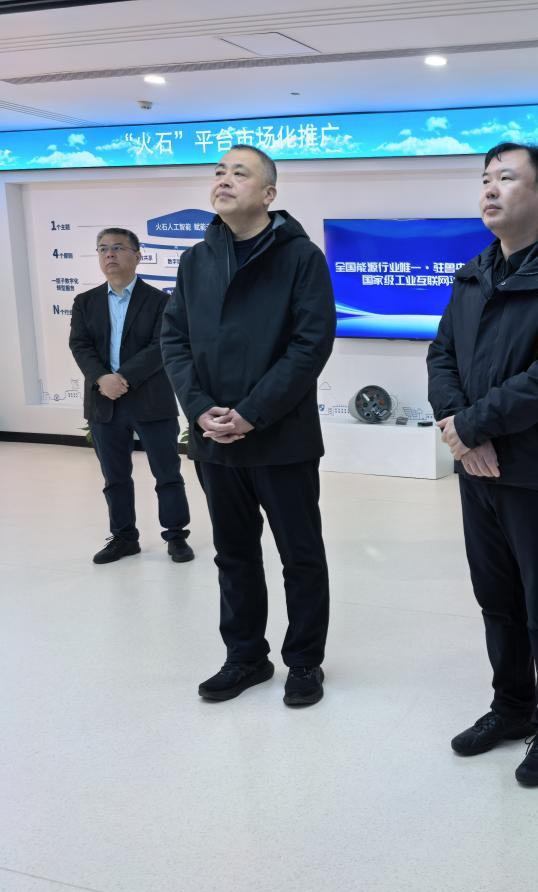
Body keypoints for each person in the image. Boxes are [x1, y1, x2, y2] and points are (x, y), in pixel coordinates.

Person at [427, 142, 538, 787]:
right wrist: (459, 429)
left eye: (506, 177)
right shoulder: (473, 273)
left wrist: (472, 426)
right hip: (478, 468)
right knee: (495, 598)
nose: (490, 189)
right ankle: (512, 707)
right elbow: (441, 356)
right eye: (485, 179)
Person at [161, 145, 336, 708]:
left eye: (240, 173)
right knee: (233, 554)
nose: (224, 179)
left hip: (281, 438)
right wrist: (200, 409)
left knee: (299, 556)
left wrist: (252, 413)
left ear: (268, 194)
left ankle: (304, 661)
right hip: (214, 439)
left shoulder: (300, 257)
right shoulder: (197, 259)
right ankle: (245, 657)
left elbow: (310, 345)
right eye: (219, 171)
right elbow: (174, 340)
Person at [69, 227, 193, 565]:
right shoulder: (85, 302)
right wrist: (102, 379)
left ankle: (176, 536)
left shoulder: (161, 301)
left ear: (137, 256)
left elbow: (161, 346)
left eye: (118, 247)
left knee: (167, 474)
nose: (109, 254)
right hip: (103, 402)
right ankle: (124, 538)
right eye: (103, 248)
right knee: (115, 477)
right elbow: (80, 345)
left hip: (151, 400)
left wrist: (122, 378)